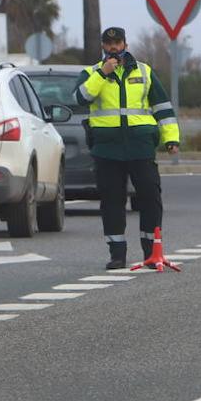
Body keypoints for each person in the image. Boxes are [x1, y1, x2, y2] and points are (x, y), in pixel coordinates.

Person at [75, 27, 180, 269]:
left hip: (140, 146)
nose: (113, 47)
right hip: (107, 148)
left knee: (150, 198)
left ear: (125, 44)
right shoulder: (91, 73)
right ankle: (117, 254)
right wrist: (103, 73)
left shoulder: (144, 71)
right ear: (103, 46)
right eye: (109, 43)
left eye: (117, 42)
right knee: (112, 201)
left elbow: (163, 107)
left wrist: (171, 139)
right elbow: (81, 98)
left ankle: (151, 252)